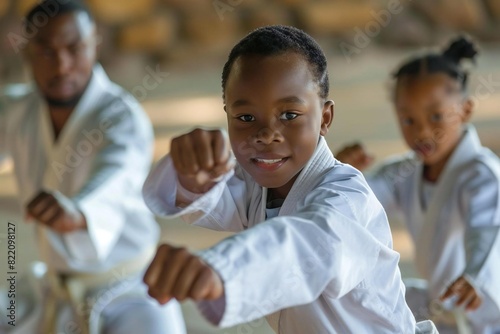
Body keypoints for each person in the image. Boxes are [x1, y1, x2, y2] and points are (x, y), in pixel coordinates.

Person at [141, 25, 437, 333]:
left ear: (325, 118)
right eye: (245, 118)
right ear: (227, 114)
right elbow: (210, 194)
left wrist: (221, 269)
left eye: (289, 115)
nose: (267, 134)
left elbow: (307, 246)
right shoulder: (259, 187)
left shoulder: (348, 198)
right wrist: (193, 173)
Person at [0, 1, 186, 333]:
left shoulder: (121, 119)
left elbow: (113, 179)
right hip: (52, 289)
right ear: (27, 53)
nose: (62, 65)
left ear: (94, 45)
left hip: (131, 291)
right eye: (46, 51)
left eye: (74, 48)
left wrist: (78, 213)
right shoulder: (17, 112)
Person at [336, 36, 500, 334]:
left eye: (436, 116)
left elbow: (486, 228)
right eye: (408, 120)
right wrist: (342, 173)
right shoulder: (406, 173)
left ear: (465, 110)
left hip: (486, 309)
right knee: (356, 301)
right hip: (442, 304)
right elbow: (359, 202)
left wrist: (474, 275)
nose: (422, 131)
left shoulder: (481, 174)